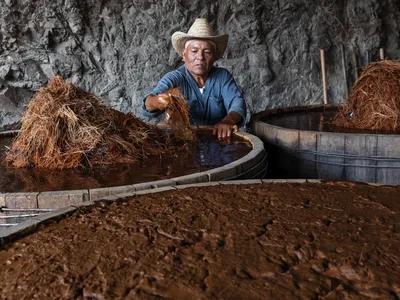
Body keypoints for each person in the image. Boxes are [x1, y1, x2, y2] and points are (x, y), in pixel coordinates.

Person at [142, 18, 246, 139]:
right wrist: (158, 101)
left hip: (218, 140)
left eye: (207, 52)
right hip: (185, 142)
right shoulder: (174, 78)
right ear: (183, 55)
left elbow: (237, 103)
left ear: (214, 57)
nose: (200, 57)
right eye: (194, 51)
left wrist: (228, 120)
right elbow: (148, 103)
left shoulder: (222, 77)